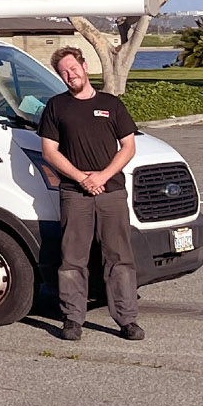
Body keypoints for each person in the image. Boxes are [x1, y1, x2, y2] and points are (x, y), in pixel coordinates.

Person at [38, 47, 144, 342]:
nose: (70, 76)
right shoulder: (56, 107)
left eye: (73, 69)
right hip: (74, 194)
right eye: (63, 73)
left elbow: (128, 147)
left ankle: (127, 320)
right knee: (72, 259)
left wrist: (102, 176)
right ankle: (72, 319)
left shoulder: (111, 104)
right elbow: (49, 151)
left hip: (111, 194)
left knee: (119, 258)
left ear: (85, 66)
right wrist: (82, 179)